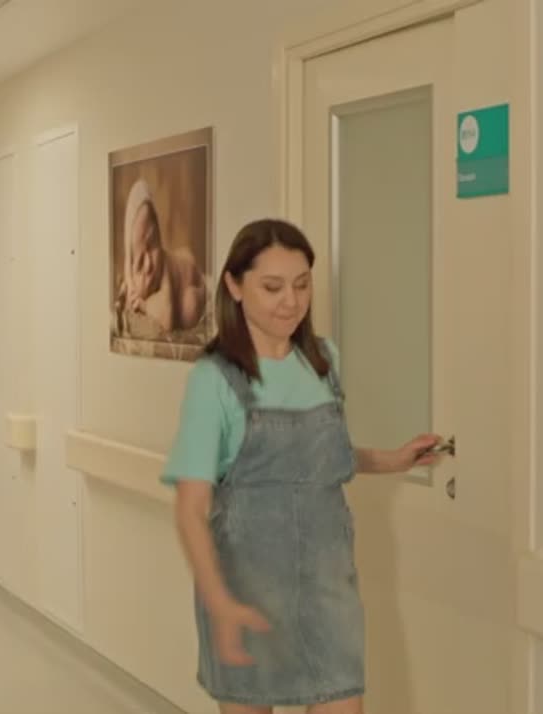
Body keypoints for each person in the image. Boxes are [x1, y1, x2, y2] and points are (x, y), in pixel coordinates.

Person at [162, 219, 443, 714]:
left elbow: (324, 457)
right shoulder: (214, 379)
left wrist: (393, 459)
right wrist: (219, 603)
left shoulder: (323, 361)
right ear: (234, 286)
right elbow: (190, 509)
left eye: (302, 284)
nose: (291, 302)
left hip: (327, 587)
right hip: (245, 591)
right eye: (272, 287)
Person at [113, 178, 210, 337]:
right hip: (182, 256)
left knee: (188, 310)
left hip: (190, 273)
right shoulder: (131, 277)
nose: (149, 264)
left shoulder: (164, 270)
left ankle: (205, 291)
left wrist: (144, 306)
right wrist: (127, 288)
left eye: (153, 245)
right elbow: (124, 293)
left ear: (159, 237)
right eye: (139, 262)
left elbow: (167, 320)